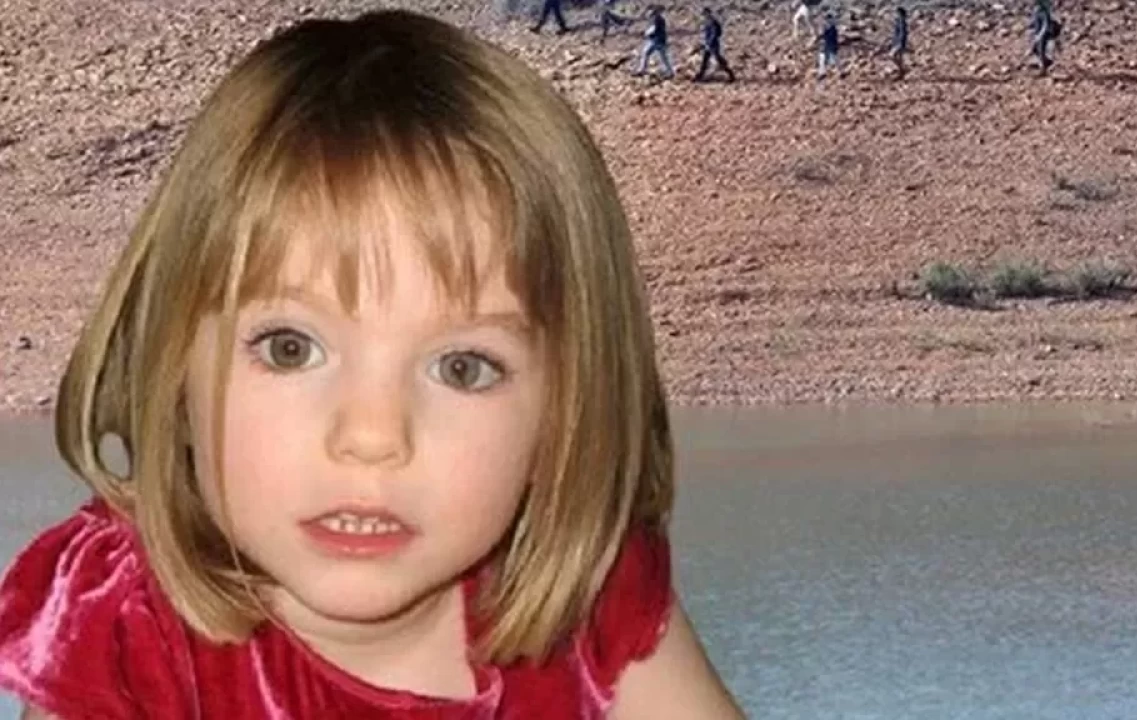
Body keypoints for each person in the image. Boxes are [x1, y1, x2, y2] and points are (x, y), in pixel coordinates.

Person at [0, 10, 744, 719]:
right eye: (290, 348)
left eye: (464, 368)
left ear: (570, 412)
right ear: (172, 371)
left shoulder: (592, 596)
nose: (373, 435)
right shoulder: (121, 626)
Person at [694, 7, 736, 83]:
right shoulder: (707, 22)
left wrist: (709, 43)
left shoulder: (712, 22)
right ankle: (700, 76)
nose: (704, 15)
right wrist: (704, 43)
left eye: (705, 14)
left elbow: (714, 34)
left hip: (713, 45)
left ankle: (731, 76)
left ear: (709, 13)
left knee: (719, 60)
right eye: (704, 14)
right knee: (705, 61)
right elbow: (706, 34)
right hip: (708, 45)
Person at [633, 5, 675, 80]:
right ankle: (670, 72)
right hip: (660, 40)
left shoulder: (658, 19)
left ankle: (642, 70)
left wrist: (646, 33)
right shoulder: (660, 19)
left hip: (657, 40)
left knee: (647, 53)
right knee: (663, 57)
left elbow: (654, 29)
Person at [1029, 0, 1062, 75]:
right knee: (1035, 49)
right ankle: (1044, 63)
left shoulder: (1044, 13)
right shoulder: (1036, 11)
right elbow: (1035, 23)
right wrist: (1033, 32)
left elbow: (1045, 25)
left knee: (1041, 50)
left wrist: (1040, 36)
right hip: (1037, 34)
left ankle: (1043, 68)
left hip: (1043, 35)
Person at [890, 5, 910, 80]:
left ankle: (902, 70)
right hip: (898, 42)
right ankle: (901, 73)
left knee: (892, 55)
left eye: (897, 12)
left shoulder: (901, 21)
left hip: (899, 42)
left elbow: (903, 33)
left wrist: (900, 42)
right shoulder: (899, 20)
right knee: (899, 58)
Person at [818, 12, 840, 79]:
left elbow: (832, 37)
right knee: (823, 58)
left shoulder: (832, 28)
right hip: (827, 45)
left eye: (828, 19)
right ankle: (822, 73)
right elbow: (822, 36)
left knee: (834, 59)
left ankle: (840, 72)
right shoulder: (826, 27)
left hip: (831, 45)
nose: (827, 20)